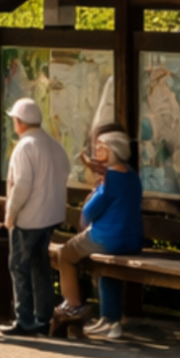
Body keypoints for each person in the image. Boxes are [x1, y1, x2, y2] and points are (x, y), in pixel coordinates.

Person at [51, 129, 143, 337]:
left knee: (65, 254)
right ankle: (110, 321)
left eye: (103, 147)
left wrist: (92, 196)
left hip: (106, 238)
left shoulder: (110, 179)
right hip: (131, 241)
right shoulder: (131, 175)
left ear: (114, 151)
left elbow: (90, 210)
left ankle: (73, 305)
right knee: (107, 269)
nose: (97, 150)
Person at [0, 98, 70, 337]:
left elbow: (22, 185)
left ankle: (24, 319)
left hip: (28, 218)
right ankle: (44, 317)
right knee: (40, 267)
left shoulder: (25, 146)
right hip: (50, 217)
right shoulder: (54, 145)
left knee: (18, 266)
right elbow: (65, 172)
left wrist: (11, 213)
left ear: (19, 122)